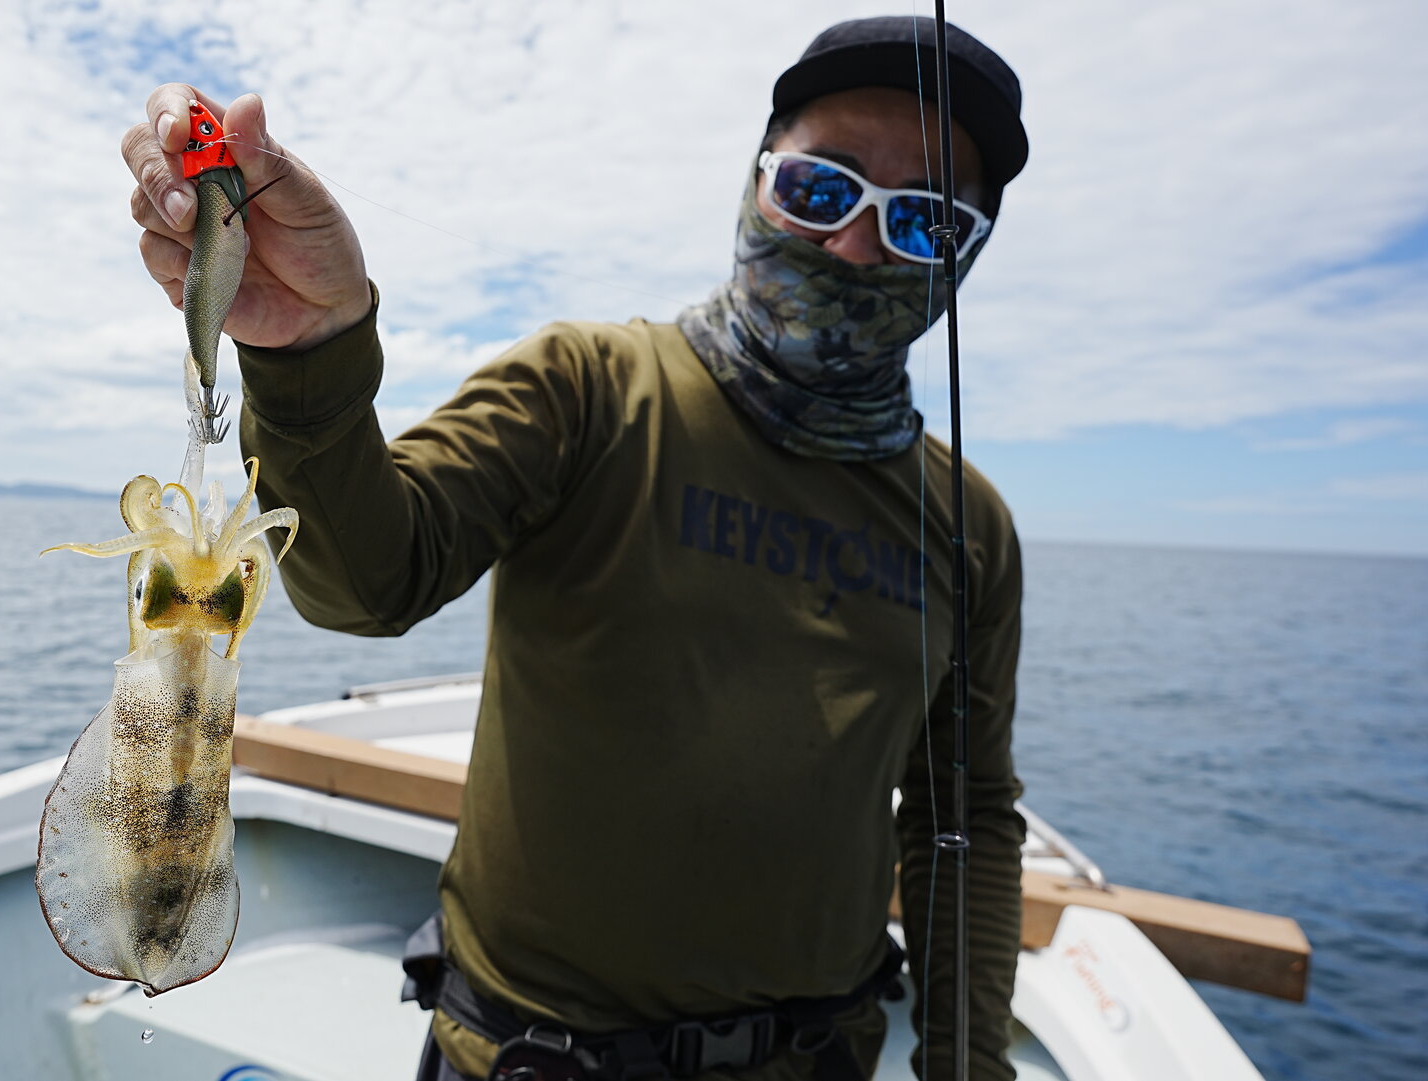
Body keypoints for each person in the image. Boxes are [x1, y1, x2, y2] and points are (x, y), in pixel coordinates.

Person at [124, 16, 1029, 1081]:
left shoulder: (969, 526)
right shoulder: (587, 389)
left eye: (923, 223)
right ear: (756, 183)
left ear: (961, 261)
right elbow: (372, 579)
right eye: (822, 190)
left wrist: (969, 1065)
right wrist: (310, 352)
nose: (855, 245)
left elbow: (962, 812)